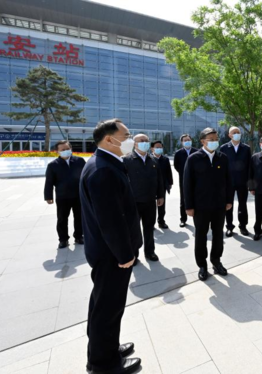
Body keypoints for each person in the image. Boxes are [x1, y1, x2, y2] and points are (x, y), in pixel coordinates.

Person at [80, 119, 142, 374]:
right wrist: (125, 254)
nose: (131, 140)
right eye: (126, 135)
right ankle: (103, 365)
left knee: (105, 305)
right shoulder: (102, 169)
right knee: (107, 308)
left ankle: (105, 348)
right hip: (112, 254)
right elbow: (111, 220)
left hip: (107, 252)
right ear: (109, 139)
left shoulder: (103, 163)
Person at [184, 128, 233, 281]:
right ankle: (202, 265)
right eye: (211, 139)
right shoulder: (193, 158)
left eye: (216, 138)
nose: (214, 141)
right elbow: (187, 184)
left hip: (219, 205)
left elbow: (229, 181)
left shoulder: (222, 158)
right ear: (202, 141)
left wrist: (229, 200)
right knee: (201, 236)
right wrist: (189, 206)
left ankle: (216, 261)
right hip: (200, 206)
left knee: (218, 234)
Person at [123, 134, 165, 263]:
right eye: (142, 141)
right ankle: (133, 254)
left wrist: (161, 195)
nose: (145, 143)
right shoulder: (126, 160)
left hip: (150, 201)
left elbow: (159, 180)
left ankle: (150, 252)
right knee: (133, 230)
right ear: (134, 143)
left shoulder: (153, 160)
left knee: (149, 227)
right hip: (133, 202)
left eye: (147, 141)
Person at [44, 140, 86, 248]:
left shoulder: (79, 161)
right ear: (57, 151)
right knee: (62, 219)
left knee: (80, 217)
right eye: (63, 150)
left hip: (78, 196)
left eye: (67, 149)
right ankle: (63, 239)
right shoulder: (53, 165)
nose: (66, 151)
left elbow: (86, 177)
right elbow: (49, 182)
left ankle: (79, 236)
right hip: (63, 197)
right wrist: (48, 196)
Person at [219, 126, 252, 237]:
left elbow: (249, 166)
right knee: (228, 205)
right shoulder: (224, 148)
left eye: (238, 132)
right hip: (228, 182)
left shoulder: (246, 148)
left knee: (243, 205)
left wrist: (250, 182)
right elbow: (221, 166)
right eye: (234, 132)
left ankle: (243, 226)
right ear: (229, 135)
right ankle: (229, 226)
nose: (237, 134)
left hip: (243, 182)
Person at [174, 134, 198, 228]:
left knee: (196, 198)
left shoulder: (196, 151)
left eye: (188, 139)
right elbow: (176, 166)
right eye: (185, 140)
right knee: (183, 199)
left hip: (196, 179)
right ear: (182, 142)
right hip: (183, 179)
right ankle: (183, 219)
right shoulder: (178, 153)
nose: (187, 141)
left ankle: (196, 218)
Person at [151, 140, 174, 229]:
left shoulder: (165, 159)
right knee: (152, 206)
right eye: (157, 147)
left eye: (160, 147)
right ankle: (151, 223)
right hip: (152, 186)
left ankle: (161, 221)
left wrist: (170, 183)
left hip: (162, 186)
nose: (159, 149)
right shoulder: (149, 159)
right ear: (152, 148)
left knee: (162, 205)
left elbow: (169, 172)